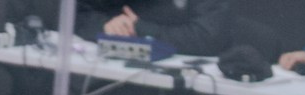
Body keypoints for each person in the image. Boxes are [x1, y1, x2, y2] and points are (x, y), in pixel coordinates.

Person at [83, 0, 232, 56]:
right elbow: (67, 11)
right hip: (101, 77)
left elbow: (208, 37)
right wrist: (104, 25)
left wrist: (140, 29)